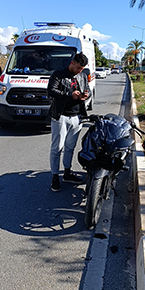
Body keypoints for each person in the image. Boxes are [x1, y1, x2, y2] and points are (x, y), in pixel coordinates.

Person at [47, 52, 91, 192]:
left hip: (77, 117)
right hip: (61, 116)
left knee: (70, 147)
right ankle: (55, 176)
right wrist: (69, 95)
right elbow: (51, 91)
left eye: (82, 69)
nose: (79, 71)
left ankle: (67, 172)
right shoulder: (58, 74)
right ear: (72, 63)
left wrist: (86, 94)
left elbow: (87, 89)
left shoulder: (82, 75)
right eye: (78, 68)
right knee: (57, 148)